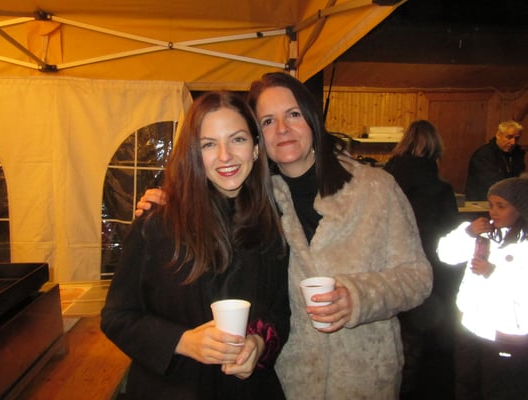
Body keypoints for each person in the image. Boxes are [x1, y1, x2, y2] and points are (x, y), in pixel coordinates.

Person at [137, 72, 432, 399]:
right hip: (290, 381)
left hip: (364, 375)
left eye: (293, 114)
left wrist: (359, 297)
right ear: (257, 138)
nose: (282, 129)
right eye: (267, 121)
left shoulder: (375, 188)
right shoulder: (257, 202)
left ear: (312, 119)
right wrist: (169, 201)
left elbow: (418, 277)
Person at [101, 91, 290, 400]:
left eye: (238, 139)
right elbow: (117, 316)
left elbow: (280, 314)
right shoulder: (158, 225)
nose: (225, 156)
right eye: (208, 144)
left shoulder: (272, 226)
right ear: (193, 154)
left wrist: (259, 345)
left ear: (256, 148)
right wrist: (182, 341)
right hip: (173, 388)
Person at [384, 120, 461, 399]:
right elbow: (450, 237)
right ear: (435, 148)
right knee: (423, 351)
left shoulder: (384, 181)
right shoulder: (440, 188)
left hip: (388, 271)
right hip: (429, 272)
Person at [437, 177, 528, 400]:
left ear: (521, 208)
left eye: (501, 206)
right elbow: (446, 255)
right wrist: (468, 232)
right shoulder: (484, 234)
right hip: (470, 326)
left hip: (505, 333)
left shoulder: (524, 244)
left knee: (498, 389)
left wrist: (493, 272)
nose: (493, 212)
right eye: (491, 205)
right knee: (466, 383)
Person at [465, 120, 524, 200]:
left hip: (507, 200)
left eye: (516, 138)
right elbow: (492, 184)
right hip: (482, 201)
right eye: (509, 137)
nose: (513, 142)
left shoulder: (517, 153)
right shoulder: (484, 155)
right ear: (498, 135)